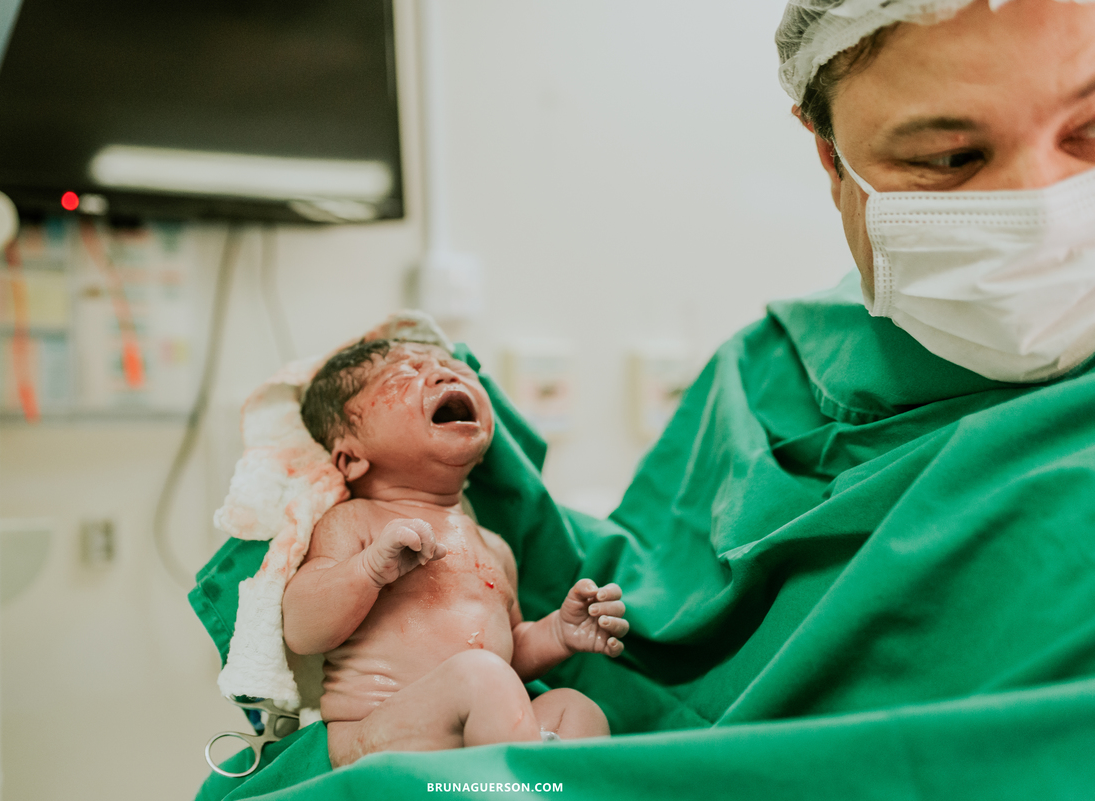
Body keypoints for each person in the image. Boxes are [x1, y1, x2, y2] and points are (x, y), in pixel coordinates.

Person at [194, 2, 1095, 798]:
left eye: (1091, 131)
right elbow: (664, 597)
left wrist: (558, 632)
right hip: (410, 726)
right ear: (831, 157)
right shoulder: (770, 367)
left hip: (503, 731)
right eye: (949, 156)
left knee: (571, 719)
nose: (1042, 205)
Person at [282, 339, 629, 767]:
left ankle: (536, 791)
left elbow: (508, 655)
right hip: (378, 734)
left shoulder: (494, 546)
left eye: (453, 367)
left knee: (574, 709)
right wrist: (369, 569)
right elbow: (301, 628)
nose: (447, 374)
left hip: (478, 730)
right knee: (480, 674)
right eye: (401, 374)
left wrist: (558, 634)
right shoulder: (354, 522)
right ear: (351, 458)